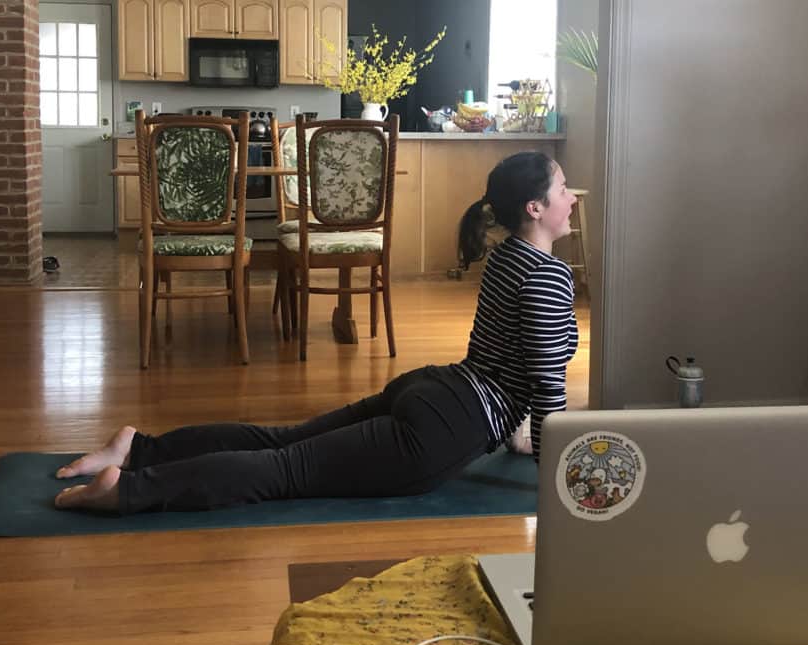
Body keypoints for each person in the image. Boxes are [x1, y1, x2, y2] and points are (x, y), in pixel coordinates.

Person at [54, 151, 579, 514]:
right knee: (284, 470)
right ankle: (128, 491)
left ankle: (138, 448)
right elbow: (546, 382)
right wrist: (554, 479)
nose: (571, 197)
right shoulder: (549, 274)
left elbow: (508, 358)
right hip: (443, 428)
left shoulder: (508, 257)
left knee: (281, 444)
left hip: (434, 388)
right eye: (562, 189)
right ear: (535, 208)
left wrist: (517, 437)